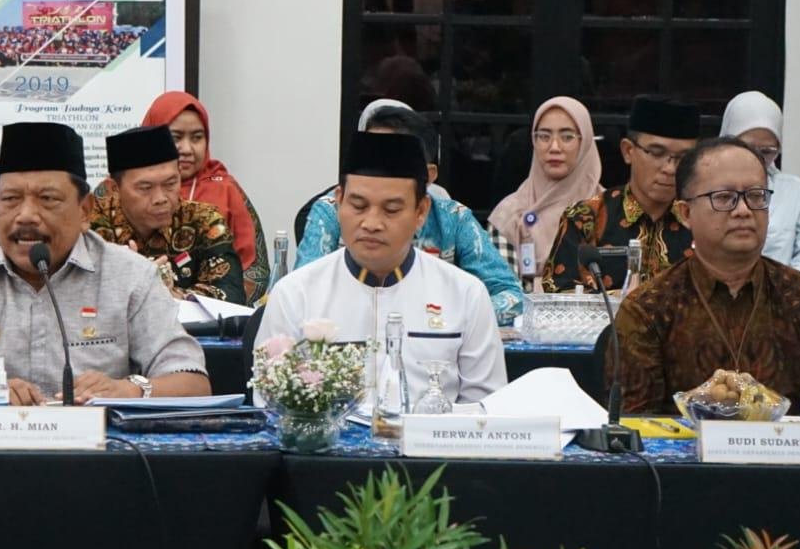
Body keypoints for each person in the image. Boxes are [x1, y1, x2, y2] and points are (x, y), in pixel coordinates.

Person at [0, 121, 210, 404]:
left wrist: (130, 391)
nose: (27, 216)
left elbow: (192, 381)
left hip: (98, 461)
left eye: (48, 199)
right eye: (10, 199)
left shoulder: (130, 274)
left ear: (85, 210)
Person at [258, 131, 507, 405]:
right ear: (339, 201)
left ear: (421, 211)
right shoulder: (296, 294)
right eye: (358, 205)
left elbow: (487, 409)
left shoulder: (465, 294)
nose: (372, 223)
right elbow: (270, 403)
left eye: (391, 210)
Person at [612, 137, 800, 415]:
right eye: (724, 198)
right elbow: (634, 426)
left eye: (756, 196)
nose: (743, 211)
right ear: (685, 213)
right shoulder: (648, 309)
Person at [297, 106, 522, 328]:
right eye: (372, 152)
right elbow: (301, 294)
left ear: (429, 176)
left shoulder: (453, 218)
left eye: (397, 158)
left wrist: (443, 318)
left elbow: (512, 296)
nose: (382, 167)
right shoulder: (330, 210)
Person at [543, 94, 699, 293]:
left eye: (683, 158)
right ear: (628, 151)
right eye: (657, 153)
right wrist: (621, 302)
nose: (670, 168)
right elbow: (559, 294)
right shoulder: (587, 218)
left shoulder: (703, 220)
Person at [88, 124, 245, 304]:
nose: (161, 198)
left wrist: (172, 296)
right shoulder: (90, 226)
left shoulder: (203, 221)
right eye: (145, 188)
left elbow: (231, 294)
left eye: (170, 184)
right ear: (115, 188)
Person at [141, 91, 270, 301]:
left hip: (211, 321)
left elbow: (257, 271)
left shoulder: (225, 189)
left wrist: (192, 300)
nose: (187, 149)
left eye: (197, 138)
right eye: (175, 138)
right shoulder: (121, 191)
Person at [718, 91, 800, 282]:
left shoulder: (796, 192)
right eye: (747, 147)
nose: (756, 157)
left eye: (767, 151)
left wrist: (786, 292)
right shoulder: (704, 185)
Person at [487, 97, 604, 282]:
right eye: (544, 136)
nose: (554, 147)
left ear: (586, 142)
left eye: (567, 137)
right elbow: (501, 293)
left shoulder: (611, 210)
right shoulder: (509, 215)